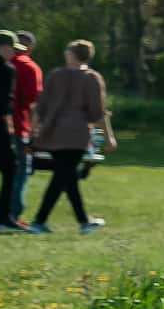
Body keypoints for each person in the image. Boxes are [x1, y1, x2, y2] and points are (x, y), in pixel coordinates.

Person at [29, 39, 108, 232]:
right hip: (77, 134)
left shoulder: (56, 76)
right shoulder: (92, 78)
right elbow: (97, 112)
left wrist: (34, 129)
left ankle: (80, 221)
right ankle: (42, 221)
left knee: (65, 176)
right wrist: (107, 135)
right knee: (64, 176)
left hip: (53, 132)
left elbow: (41, 105)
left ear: (72, 55)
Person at [0, 30, 36, 231]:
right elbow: (4, 104)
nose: (14, 54)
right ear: (4, 48)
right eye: (13, 49)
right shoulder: (7, 70)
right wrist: (9, 129)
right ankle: (3, 217)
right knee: (10, 168)